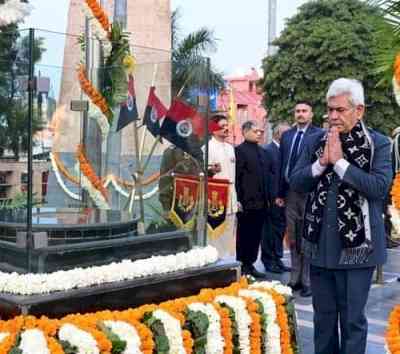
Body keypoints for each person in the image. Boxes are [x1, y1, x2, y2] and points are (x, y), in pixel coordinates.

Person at [290, 78, 392, 354]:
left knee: (352, 323)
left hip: (359, 251)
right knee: (323, 322)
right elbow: (297, 181)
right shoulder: (314, 142)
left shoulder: (379, 144)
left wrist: (340, 163)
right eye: (330, 109)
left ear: (359, 111)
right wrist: (322, 162)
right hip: (319, 248)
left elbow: (379, 188)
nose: (333, 116)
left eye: (340, 110)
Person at [277, 100, 322, 297]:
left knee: (308, 236)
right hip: (290, 193)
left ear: (311, 114)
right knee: (293, 236)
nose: (300, 114)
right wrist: (279, 193)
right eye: (297, 111)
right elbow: (282, 165)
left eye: (304, 111)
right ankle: (294, 278)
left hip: (310, 193)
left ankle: (308, 280)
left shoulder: (318, 135)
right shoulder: (287, 136)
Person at [235, 120, 270, 278]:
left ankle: (251, 263)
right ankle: (242, 265)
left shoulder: (263, 152)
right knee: (244, 235)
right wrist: (238, 199)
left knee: (256, 235)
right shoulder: (239, 151)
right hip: (246, 202)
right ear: (245, 131)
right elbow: (237, 177)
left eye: (261, 132)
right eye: (256, 131)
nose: (259, 134)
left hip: (261, 202)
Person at [206, 113, 238, 258]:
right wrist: (211, 171)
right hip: (215, 198)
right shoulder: (207, 148)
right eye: (222, 126)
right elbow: (202, 173)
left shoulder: (231, 148)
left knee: (229, 234)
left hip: (231, 197)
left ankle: (226, 264)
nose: (226, 129)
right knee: (215, 236)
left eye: (227, 126)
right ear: (213, 129)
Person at [261, 122, 291, 273]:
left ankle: (277, 258)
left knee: (280, 229)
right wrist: (273, 197)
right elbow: (266, 177)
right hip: (272, 199)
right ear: (278, 134)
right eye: (286, 133)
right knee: (269, 231)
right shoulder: (267, 150)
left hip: (284, 198)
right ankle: (268, 260)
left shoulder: (285, 151)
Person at [159, 146, 201, 214]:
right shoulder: (171, 152)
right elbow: (165, 180)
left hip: (197, 204)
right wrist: (166, 207)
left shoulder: (199, 150)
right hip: (175, 204)